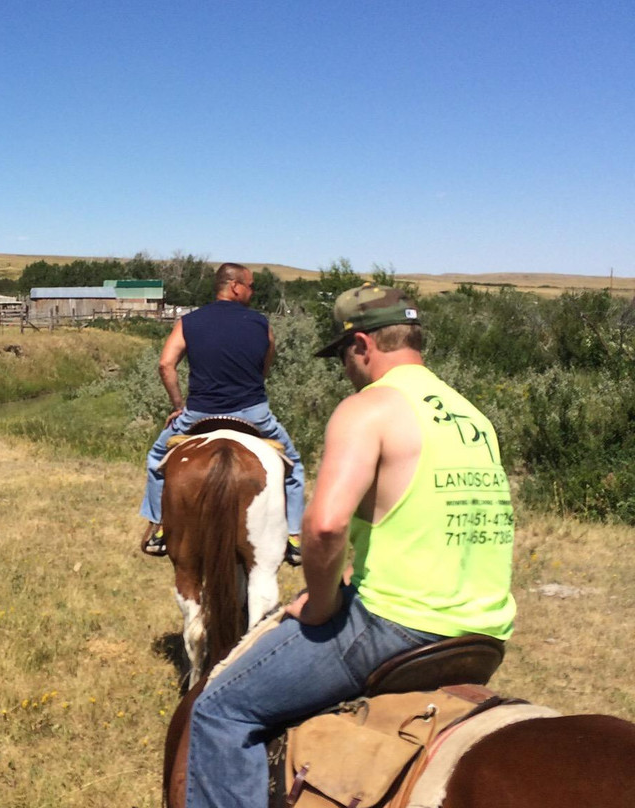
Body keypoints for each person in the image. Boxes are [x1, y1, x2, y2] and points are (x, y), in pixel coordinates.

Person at [184, 283, 517, 808]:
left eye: (343, 355)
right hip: (486, 630)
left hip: (398, 625)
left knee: (221, 709)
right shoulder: (473, 417)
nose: (344, 368)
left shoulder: (370, 407)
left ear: (362, 344)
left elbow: (323, 526)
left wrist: (321, 606)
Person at [138, 262, 305, 558]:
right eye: (251, 286)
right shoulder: (261, 324)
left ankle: (161, 527)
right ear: (235, 286)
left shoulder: (189, 322)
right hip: (254, 415)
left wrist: (179, 406)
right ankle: (293, 537)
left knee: (156, 460)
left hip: (200, 414)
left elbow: (165, 365)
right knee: (293, 466)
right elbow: (265, 368)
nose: (252, 292)